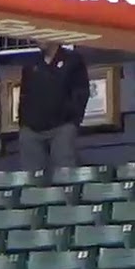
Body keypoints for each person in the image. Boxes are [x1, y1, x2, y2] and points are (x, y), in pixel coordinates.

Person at [17, 41, 89, 171]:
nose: (37, 38)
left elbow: (81, 92)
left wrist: (72, 121)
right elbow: (24, 95)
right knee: (32, 178)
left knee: (65, 173)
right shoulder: (30, 64)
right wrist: (24, 123)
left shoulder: (73, 60)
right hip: (32, 130)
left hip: (62, 127)